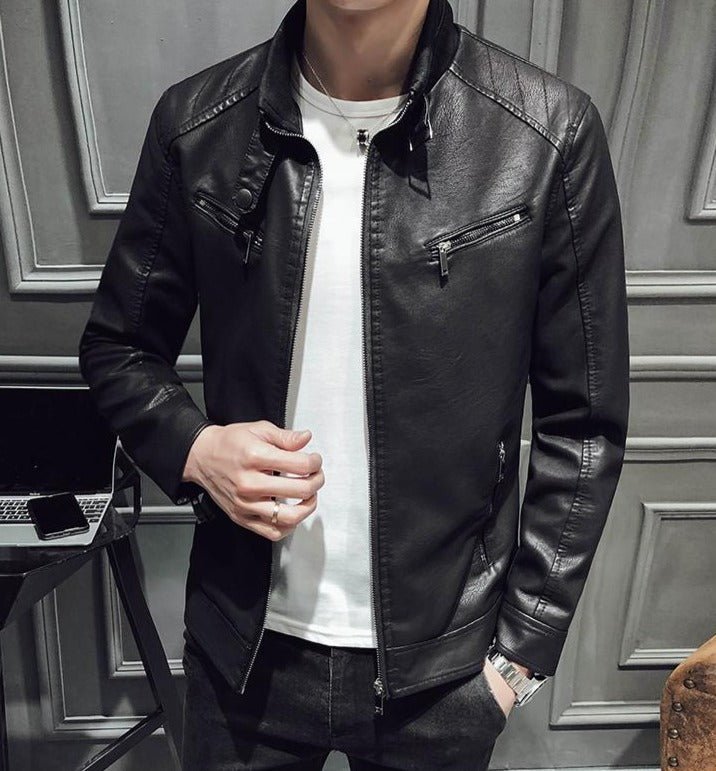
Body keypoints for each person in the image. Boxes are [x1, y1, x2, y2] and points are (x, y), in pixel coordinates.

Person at [78, 0, 630, 768]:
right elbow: (119, 346)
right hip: (242, 658)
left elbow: (585, 423)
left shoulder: (544, 133)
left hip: (445, 677)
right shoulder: (198, 124)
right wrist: (196, 448)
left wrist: (518, 660)